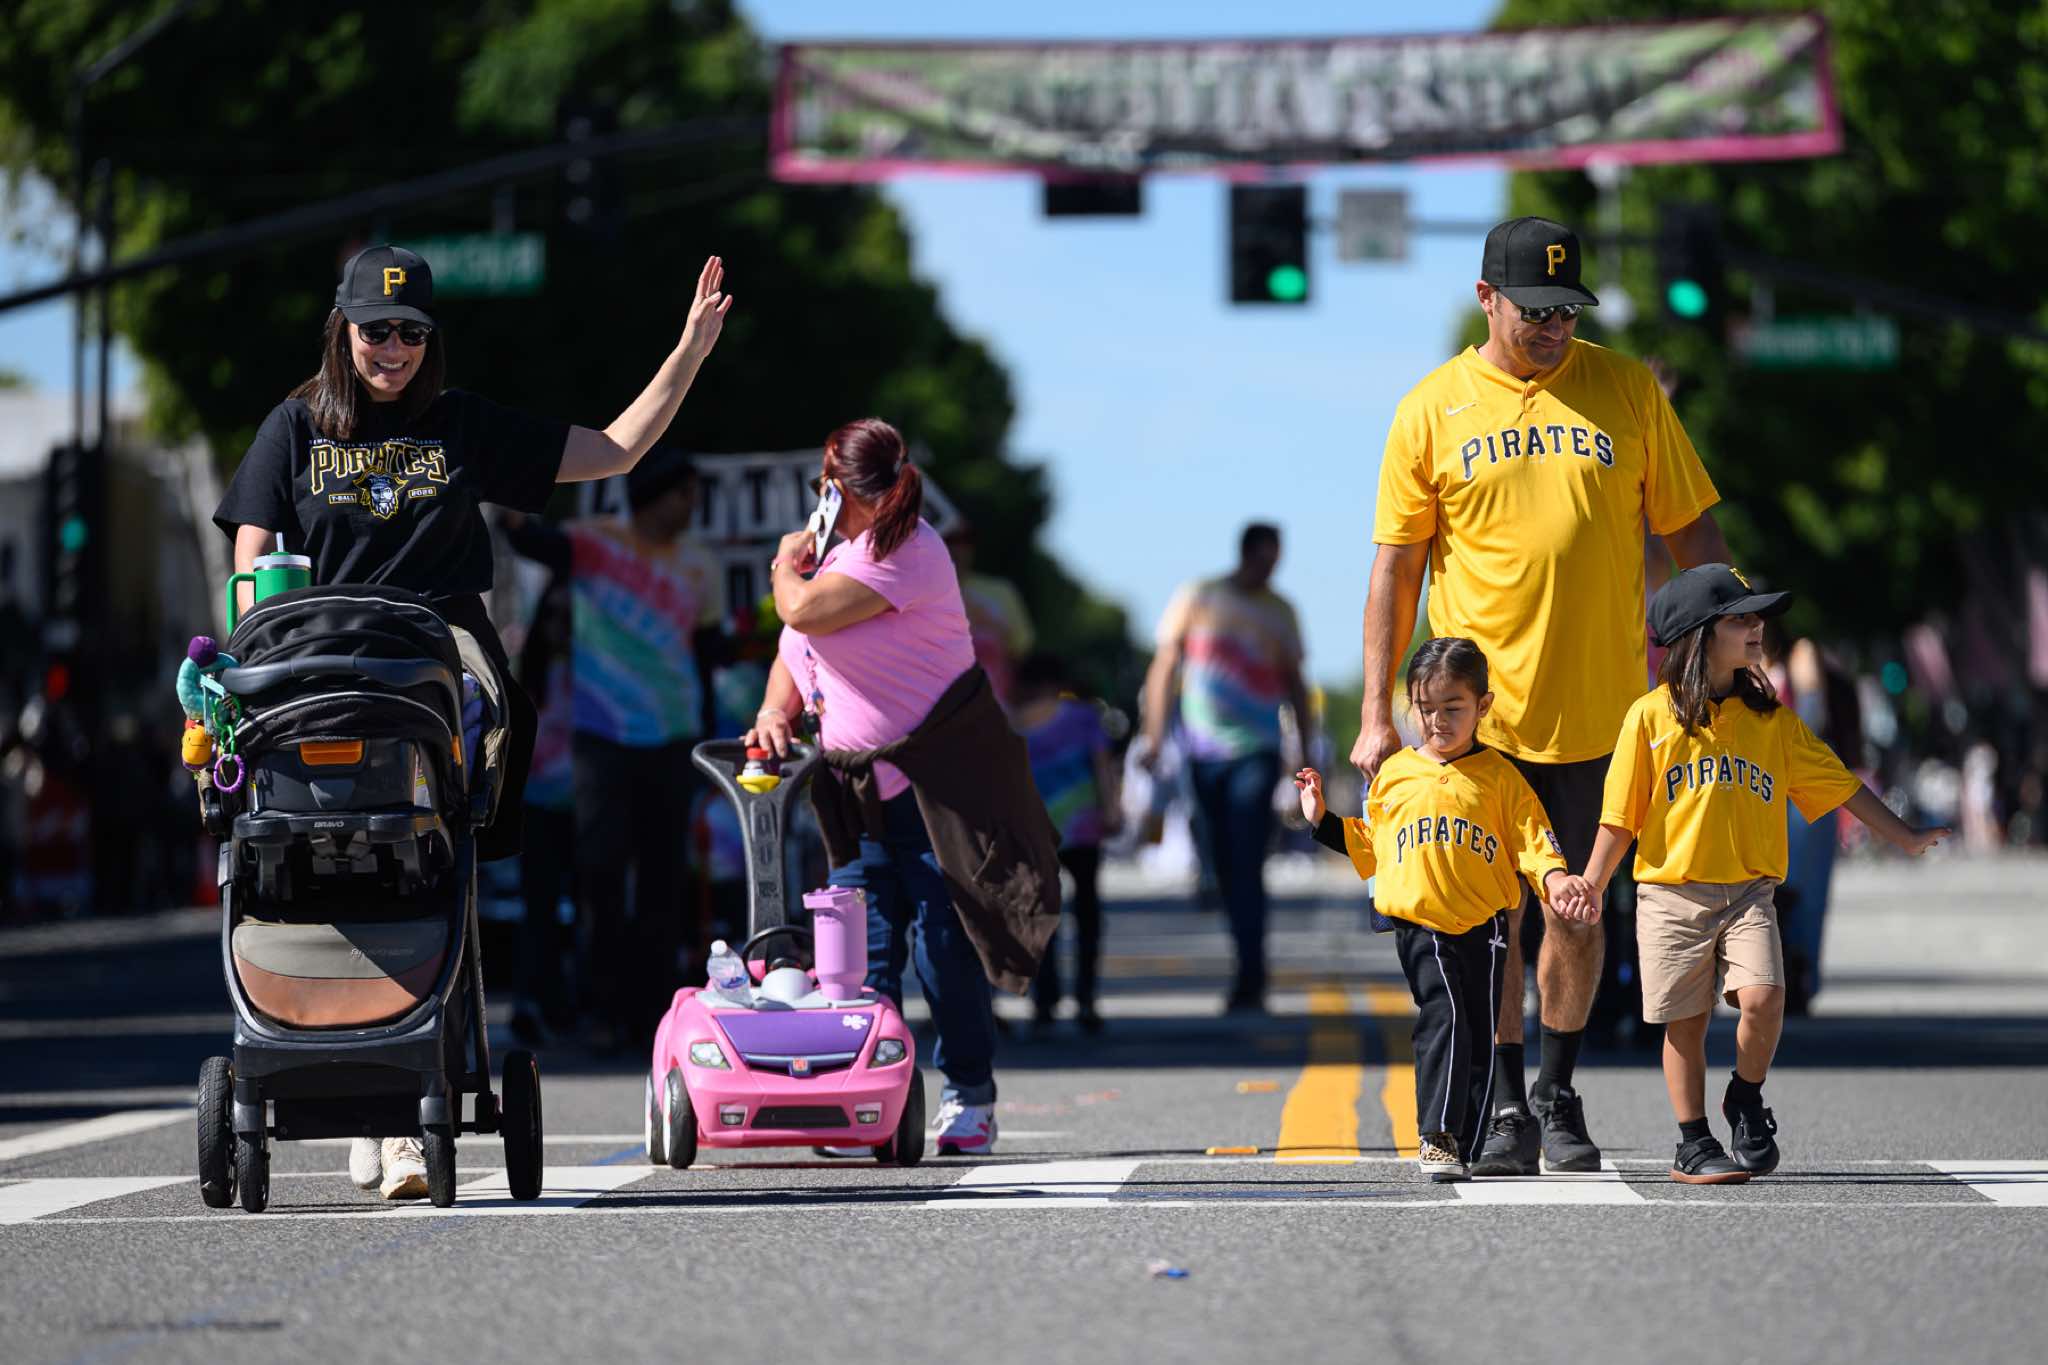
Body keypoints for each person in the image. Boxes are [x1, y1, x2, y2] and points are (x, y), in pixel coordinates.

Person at [214, 244, 730, 1199]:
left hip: (438, 656)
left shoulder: (461, 424)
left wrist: (690, 351)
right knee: (313, 853)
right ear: (343, 329)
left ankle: (401, 1111)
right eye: (376, 330)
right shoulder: (294, 426)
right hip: (325, 657)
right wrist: (249, 666)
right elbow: (251, 559)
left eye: (411, 332)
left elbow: (616, 449)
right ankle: (372, 1103)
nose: (393, 348)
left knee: (433, 848)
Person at [1358, 216, 1732, 1176]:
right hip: (1475, 727)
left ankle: (1555, 1092)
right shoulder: (1430, 409)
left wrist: (1723, 650)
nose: (1555, 328)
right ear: (1487, 299)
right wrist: (1372, 713)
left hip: (1599, 712)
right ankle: (1503, 1102)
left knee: (1576, 909)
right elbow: (1396, 571)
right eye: (1536, 311)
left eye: (1568, 312)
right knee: (1489, 923)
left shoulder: (1627, 389)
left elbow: (1694, 533)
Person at [745, 418, 1061, 1156]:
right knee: (855, 958)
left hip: (937, 788)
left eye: (824, 483)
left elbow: (801, 610)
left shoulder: (911, 552)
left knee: (945, 951)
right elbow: (796, 647)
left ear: (839, 487)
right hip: (857, 795)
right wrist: (773, 710)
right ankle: (867, 1098)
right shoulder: (832, 555)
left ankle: (970, 1095)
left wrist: (782, 565)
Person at [1581, 565, 1948, 1183]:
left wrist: (1904, 836)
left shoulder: (1772, 721)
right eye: (1741, 619)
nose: (1758, 628)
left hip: (1749, 892)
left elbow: (1840, 785)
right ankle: (1693, 1141)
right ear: (1701, 635)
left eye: (1758, 618)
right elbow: (1619, 818)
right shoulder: (1648, 718)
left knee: (1765, 997)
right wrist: (1591, 885)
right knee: (1686, 1022)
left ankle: (1745, 1097)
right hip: (1671, 895)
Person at [1295, 638, 1597, 1180]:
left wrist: (1556, 881)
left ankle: (1471, 1139)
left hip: (1486, 926)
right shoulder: (1396, 774)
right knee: (1447, 1014)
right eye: (1425, 708)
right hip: (1422, 925)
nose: (1437, 721)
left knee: (1480, 1030)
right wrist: (1322, 820)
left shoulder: (1501, 778)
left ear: (1483, 706)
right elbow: (1372, 845)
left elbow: (1533, 842)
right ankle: (1436, 1135)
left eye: (1452, 708)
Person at [502, 449, 725, 1050]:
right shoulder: (594, 543)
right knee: (600, 877)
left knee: (663, 879)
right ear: (654, 493)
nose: (693, 506)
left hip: (674, 737)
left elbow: (706, 655)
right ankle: (601, 1009)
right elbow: (527, 539)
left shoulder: (701, 565)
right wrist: (505, 478)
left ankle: (653, 1013)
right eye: (685, 494)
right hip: (601, 739)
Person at [1141, 523, 1310, 1014]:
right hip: (1200, 750)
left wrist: (1304, 751)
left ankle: (1250, 974)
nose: (1269, 570)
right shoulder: (1199, 596)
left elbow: (1296, 682)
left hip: (1257, 749)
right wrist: (1154, 735)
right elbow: (1165, 665)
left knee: (1246, 860)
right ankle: (1215, 886)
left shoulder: (1281, 611)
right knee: (1215, 855)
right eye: (1263, 559)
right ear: (1245, 554)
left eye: (1275, 561)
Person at [1012, 652, 1121, 1034]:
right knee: (1088, 912)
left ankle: (1045, 1001)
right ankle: (1087, 998)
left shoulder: (1012, 722)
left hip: (1033, 831)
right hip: (1083, 828)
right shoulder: (1083, 716)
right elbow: (1101, 764)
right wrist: (1112, 809)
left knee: (1041, 916)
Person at [510, 578, 575, 1047]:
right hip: (540, 805)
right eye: (554, 617)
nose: (561, 628)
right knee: (540, 910)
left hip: (586, 801)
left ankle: (571, 1002)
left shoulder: (597, 673)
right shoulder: (530, 680)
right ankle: (534, 1003)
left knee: (589, 907)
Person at [946, 523, 1036, 707]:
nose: (957, 548)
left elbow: (1022, 647)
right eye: (949, 540)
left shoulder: (1000, 591)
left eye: (965, 539)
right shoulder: (915, 592)